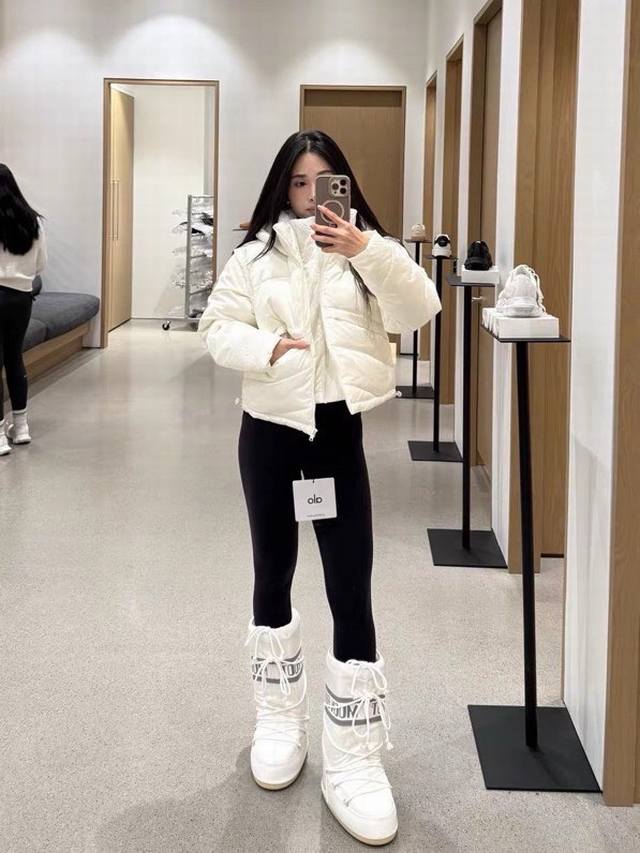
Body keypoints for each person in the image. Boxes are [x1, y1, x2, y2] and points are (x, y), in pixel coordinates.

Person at [198, 130, 440, 846]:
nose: (311, 198)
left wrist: (366, 251)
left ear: (345, 186)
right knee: (271, 571)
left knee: (350, 584)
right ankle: (279, 718)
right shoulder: (254, 256)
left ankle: (354, 753)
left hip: (336, 435)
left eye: (324, 181)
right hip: (269, 431)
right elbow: (215, 326)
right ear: (284, 187)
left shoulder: (368, 252)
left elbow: (420, 308)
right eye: (299, 183)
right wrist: (266, 347)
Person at [0, 164, 47, 457]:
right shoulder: (34, 222)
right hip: (21, 298)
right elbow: (41, 264)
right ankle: (21, 427)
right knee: (14, 358)